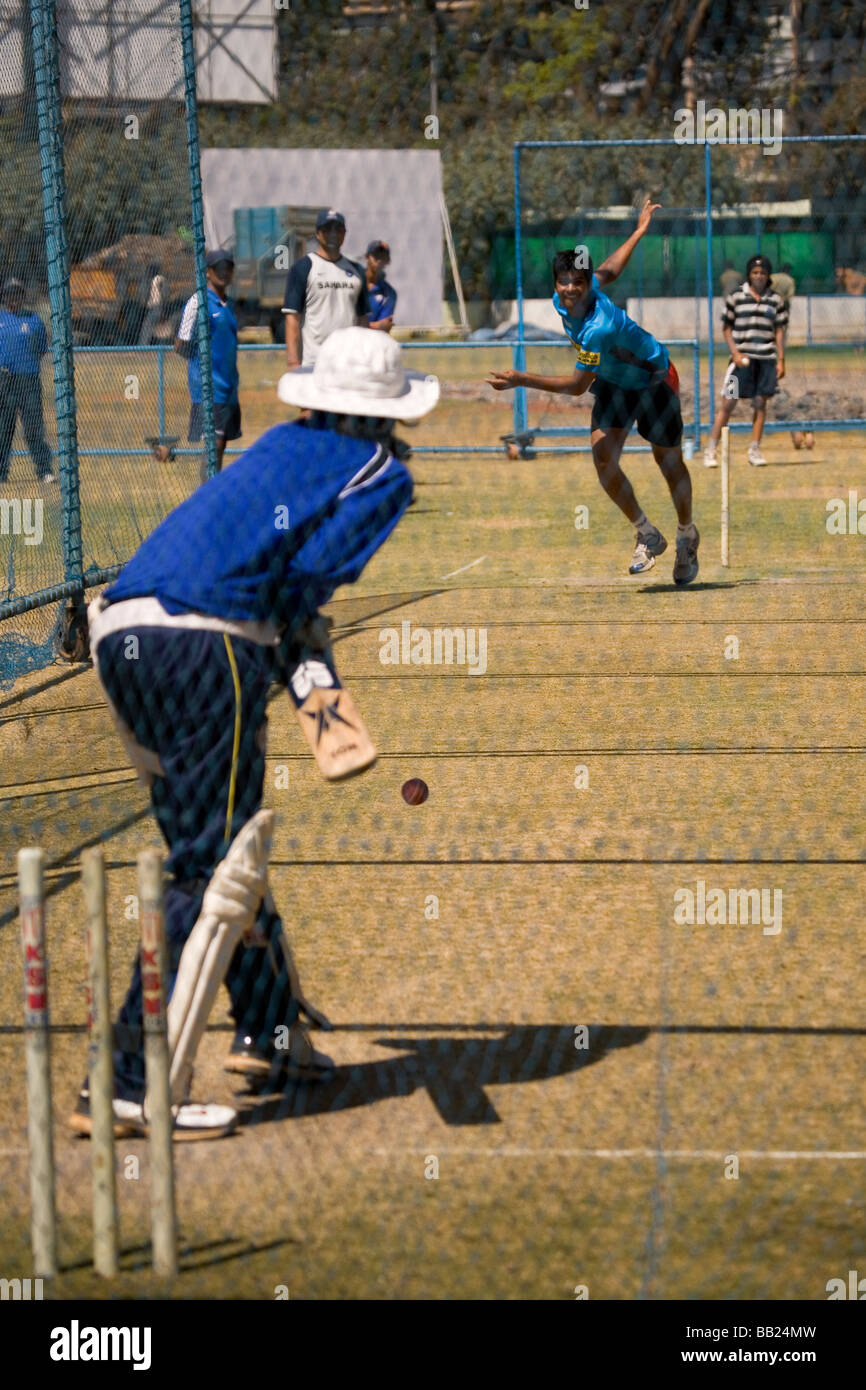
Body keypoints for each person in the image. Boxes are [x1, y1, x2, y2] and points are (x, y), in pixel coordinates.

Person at [75, 327, 439, 1140]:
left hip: (120, 630)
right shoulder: (382, 471)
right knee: (212, 869)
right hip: (205, 643)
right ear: (385, 414)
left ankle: (270, 1033)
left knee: (227, 845)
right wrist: (304, 665)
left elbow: (270, 572)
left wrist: (298, 652)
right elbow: (302, 582)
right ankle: (130, 1084)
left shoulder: (281, 444)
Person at [486, 200, 700, 585]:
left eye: (578, 283)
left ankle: (687, 535)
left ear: (586, 287)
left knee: (667, 463)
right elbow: (611, 269)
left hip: (654, 380)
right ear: (556, 283)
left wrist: (521, 379)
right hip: (616, 384)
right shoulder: (564, 298)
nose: (570, 289)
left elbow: (576, 386)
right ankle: (647, 534)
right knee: (604, 458)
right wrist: (638, 231)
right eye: (563, 282)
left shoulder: (598, 327)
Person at [703, 254, 787, 468]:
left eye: (763, 273)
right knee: (728, 403)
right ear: (749, 275)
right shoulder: (736, 297)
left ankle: (755, 450)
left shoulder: (776, 300)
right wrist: (736, 354)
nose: (759, 276)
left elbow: (779, 331)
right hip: (740, 363)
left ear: (768, 276)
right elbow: (726, 328)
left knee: (760, 404)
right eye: (755, 273)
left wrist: (781, 359)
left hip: (766, 361)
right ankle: (711, 449)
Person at [175, 250, 240, 482]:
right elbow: (180, 344)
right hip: (208, 386)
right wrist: (201, 365)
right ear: (208, 272)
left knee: (220, 446)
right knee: (215, 443)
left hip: (228, 386)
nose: (224, 272)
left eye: (228, 267)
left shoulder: (229, 303)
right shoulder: (198, 302)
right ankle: (207, 497)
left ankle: (212, 493)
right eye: (218, 268)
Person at [283, 209, 369, 369]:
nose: (333, 234)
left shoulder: (357, 271)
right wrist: (293, 362)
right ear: (317, 233)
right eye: (327, 229)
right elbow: (292, 319)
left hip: (349, 362)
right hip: (314, 363)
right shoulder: (303, 268)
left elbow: (363, 320)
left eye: (338, 229)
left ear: (344, 233)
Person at [0, 277, 54, 484]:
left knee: (33, 427)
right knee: (3, 429)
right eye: (9, 294)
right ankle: (1, 472)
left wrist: (25, 365)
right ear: (4, 297)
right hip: (4, 381)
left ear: (22, 296)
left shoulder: (34, 320)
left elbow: (41, 349)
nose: (13, 298)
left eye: (17, 293)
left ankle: (44, 470)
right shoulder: (1, 319)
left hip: (28, 381)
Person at [770, 264, 812, 451]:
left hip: (769, 306)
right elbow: (789, 296)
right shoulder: (789, 281)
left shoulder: (772, 277)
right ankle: (779, 350)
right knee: (781, 331)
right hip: (782, 308)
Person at [365, 240, 397, 333]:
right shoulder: (354, 284)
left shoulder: (389, 294)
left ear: (387, 261)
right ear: (367, 257)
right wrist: (374, 326)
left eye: (383, 257)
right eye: (376, 256)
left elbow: (383, 328)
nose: (379, 260)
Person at [138, 263, 168, 346]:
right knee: (156, 329)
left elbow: (143, 295)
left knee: (147, 327)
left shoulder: (158, 279)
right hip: (157, 308)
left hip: (156, 308)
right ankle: (157, 346)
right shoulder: (159, 279)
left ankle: (142, 347)